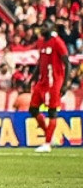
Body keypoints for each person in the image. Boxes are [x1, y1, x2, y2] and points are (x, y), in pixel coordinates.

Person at [31, 21, 69, 153]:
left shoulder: (57, 42)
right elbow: (40, 62)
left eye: (45, 26)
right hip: (42, 82)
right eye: (42, 26)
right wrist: (32, 79)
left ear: (51, 28)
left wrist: (65, 84)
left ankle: (47, 144)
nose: (42, 28)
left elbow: (67, 63)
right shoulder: (41, 42)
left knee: (52, 112)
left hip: (54, 82)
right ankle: (50, 135)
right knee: (33, 109)